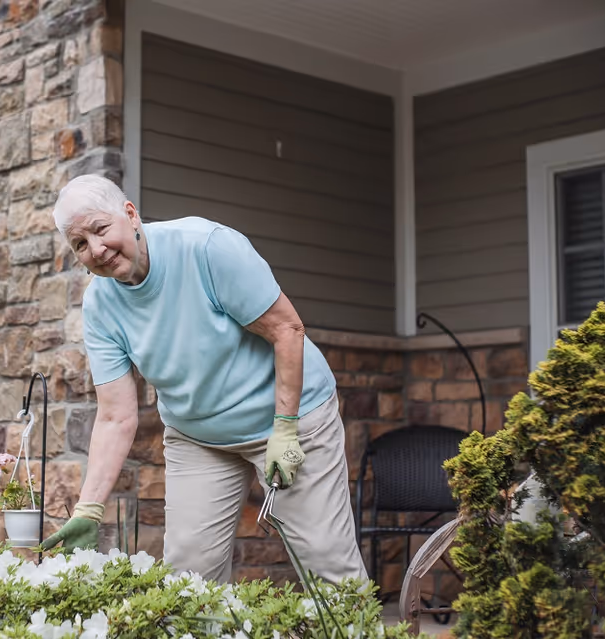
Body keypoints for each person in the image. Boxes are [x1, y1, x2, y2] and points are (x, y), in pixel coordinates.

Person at [39, 175, 368, 586]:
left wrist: (285, 428)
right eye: (80, 244)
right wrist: (88, 508)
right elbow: (114, 416)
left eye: (100, 229)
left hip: (288, 418)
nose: (97, 249)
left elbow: (287, 330)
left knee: (328, 565)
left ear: (130, 213)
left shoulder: (206, 247)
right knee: (188, 582)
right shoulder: (101, 305)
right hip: (199, 438)